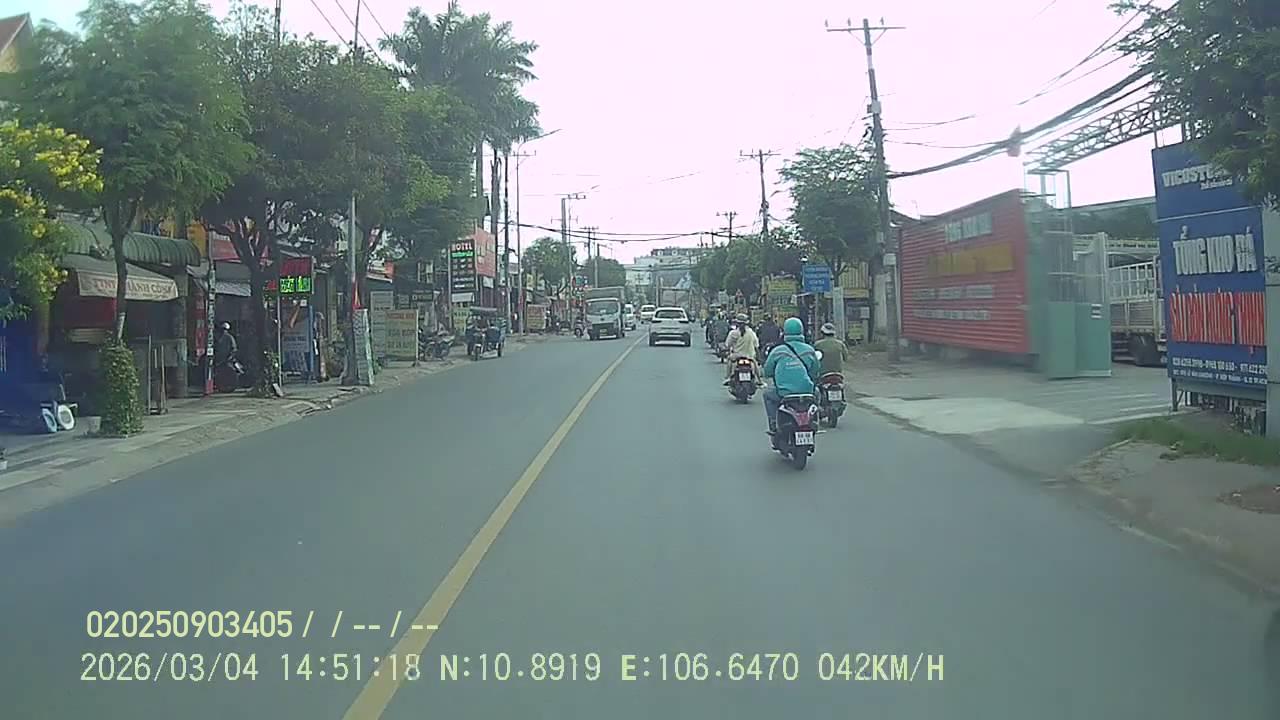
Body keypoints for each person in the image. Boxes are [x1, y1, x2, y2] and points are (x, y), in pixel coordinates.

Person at [761, 317, 819, 438]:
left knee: (767, 395)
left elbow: (767, 372)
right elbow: (815, 372)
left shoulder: (778, 351)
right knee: (817, 393)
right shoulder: (809, 350)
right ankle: (814, 419)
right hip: (807, 392)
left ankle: (773, 423)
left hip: (784, 393)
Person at [722, 313, 761, 385]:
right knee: (755, 365)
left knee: (729, 360)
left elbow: (727, 345)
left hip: (737, 356)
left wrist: (725, 349)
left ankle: (728, 377)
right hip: (749, 356)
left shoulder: (733, 333)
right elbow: (756, 346)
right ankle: (759, 380)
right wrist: (758, 358)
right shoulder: (751, 333)